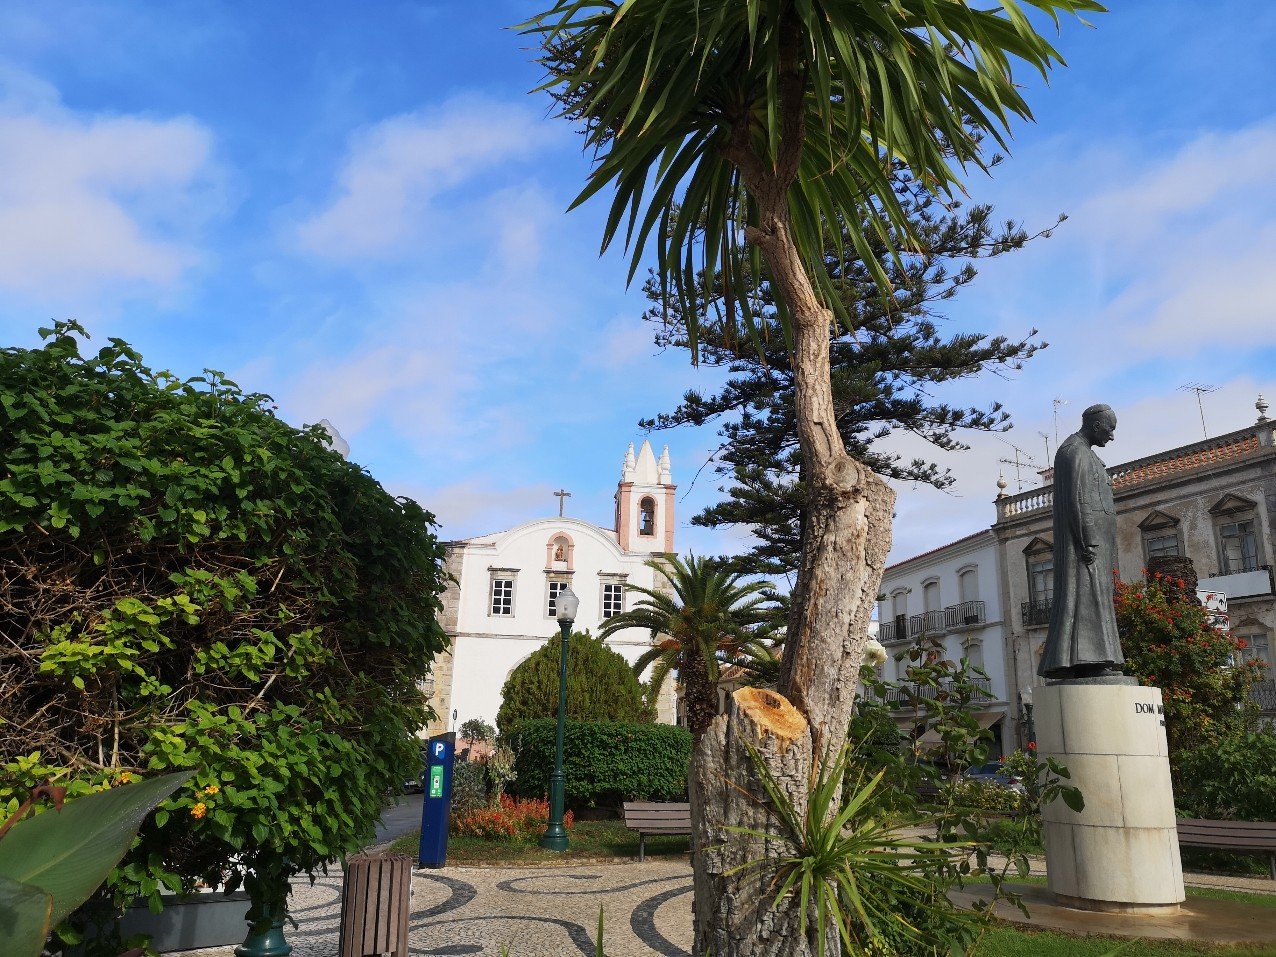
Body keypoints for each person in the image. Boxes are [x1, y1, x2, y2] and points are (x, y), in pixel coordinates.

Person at [1038, 404, 1126, 680]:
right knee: (1086, 599)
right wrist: (1084, 540)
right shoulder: (1073, 451)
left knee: (1095, 599)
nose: (1112, 436)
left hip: (1095, 543)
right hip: (1086, 546)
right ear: (1097, 424)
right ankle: (1086, 659)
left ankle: (1096, 657)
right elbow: (1075, 498)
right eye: (1110, 429)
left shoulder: (1085, 452)